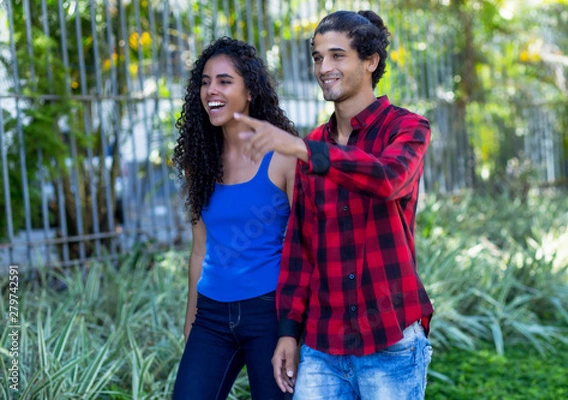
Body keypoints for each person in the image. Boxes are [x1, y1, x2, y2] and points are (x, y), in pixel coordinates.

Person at [235, 10, 434, 400]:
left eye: (337, 55)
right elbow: (300, 250)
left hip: (391, 340)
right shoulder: (311, 147)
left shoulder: (407, 128)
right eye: (317, 56)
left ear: (370, 61)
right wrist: (288, 333)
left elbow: (388, 178)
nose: (324, 67)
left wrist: (307, 151)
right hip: (322, 347)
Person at [171, 36, 298, 400]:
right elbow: (199, 250)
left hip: (269, 313)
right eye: (206, 82)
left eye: (225, 81)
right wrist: (190, 320)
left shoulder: (283, 156)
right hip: (211, 315)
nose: (212, 89)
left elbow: (303, 246)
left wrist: (293, 329)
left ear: (250, 91)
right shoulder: (201, 163)